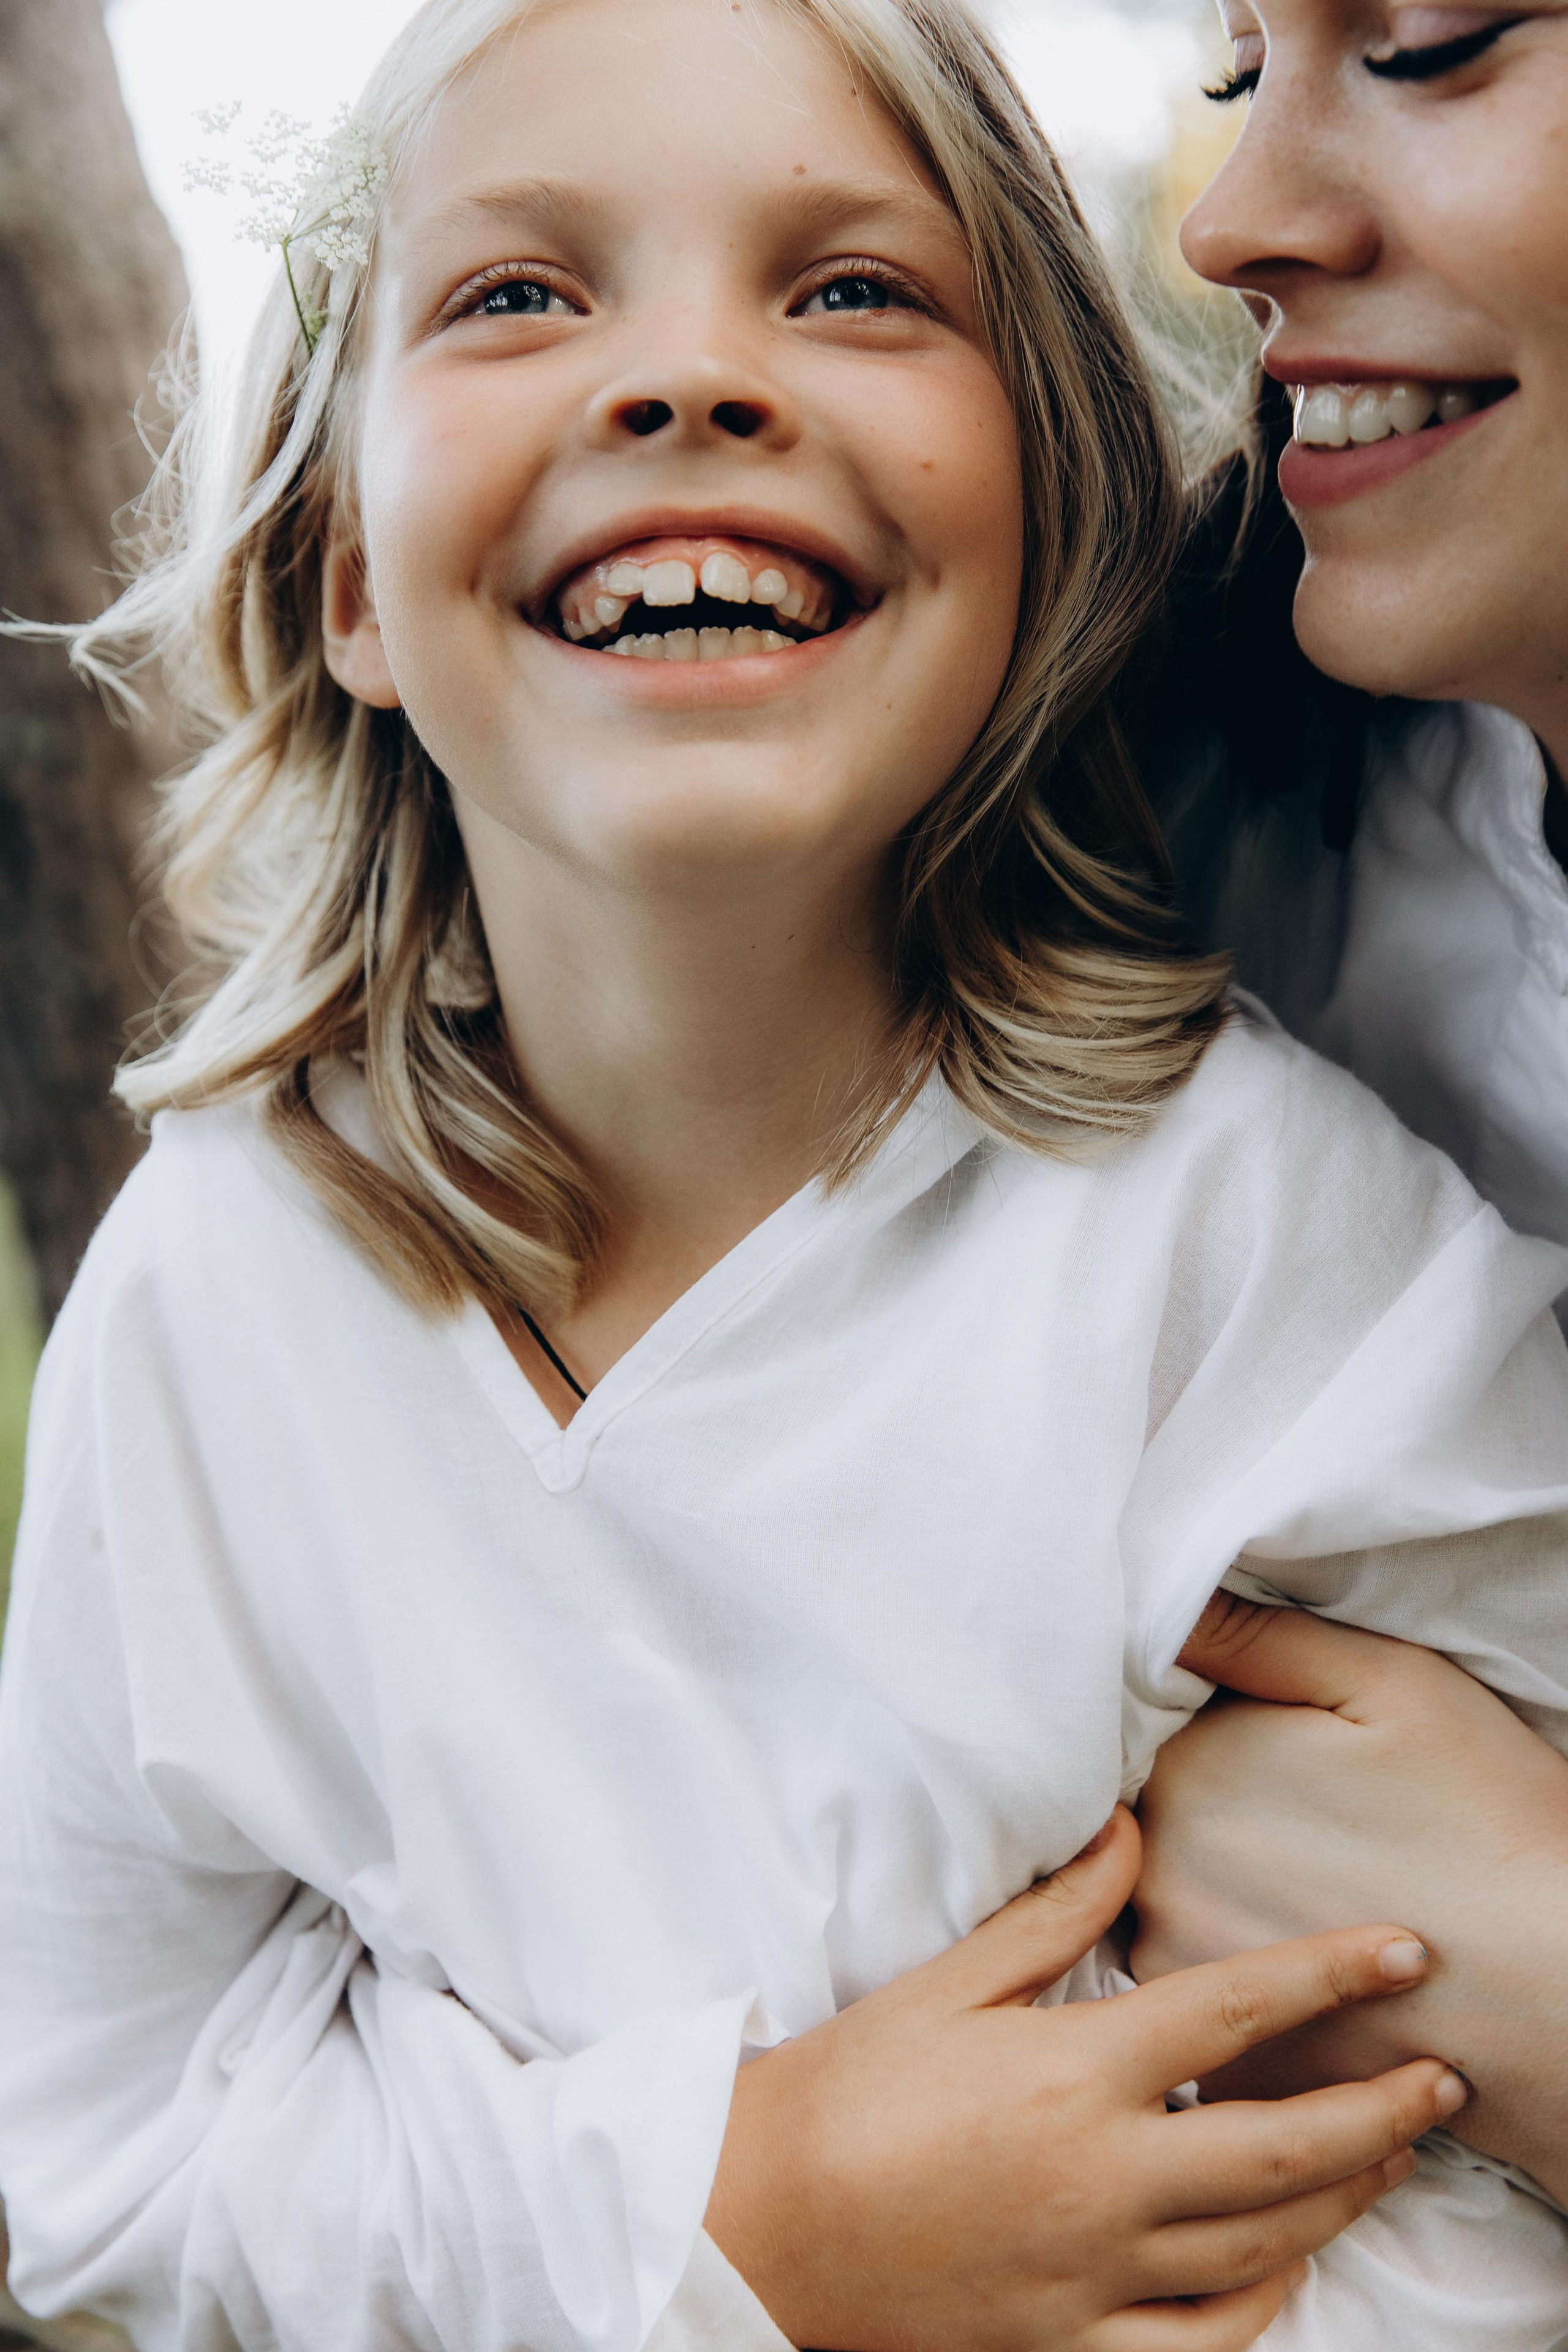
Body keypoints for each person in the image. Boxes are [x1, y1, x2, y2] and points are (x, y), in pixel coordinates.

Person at [0, 1, 1564, 2348]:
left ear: (1049, 527)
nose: (688, 379)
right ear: (344, 575)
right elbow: (97, 2157)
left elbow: (1457, 2154)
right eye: (520, 295)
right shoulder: (221, 1300)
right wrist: (740, 2224)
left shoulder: (1263, 1243)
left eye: (851, 291)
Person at [1129, 0, 1568, 2269]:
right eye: (1235, 61)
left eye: (1430, 40)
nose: (1237, 220)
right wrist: (771, 2203)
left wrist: (1521, 1972)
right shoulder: (1148, 834)